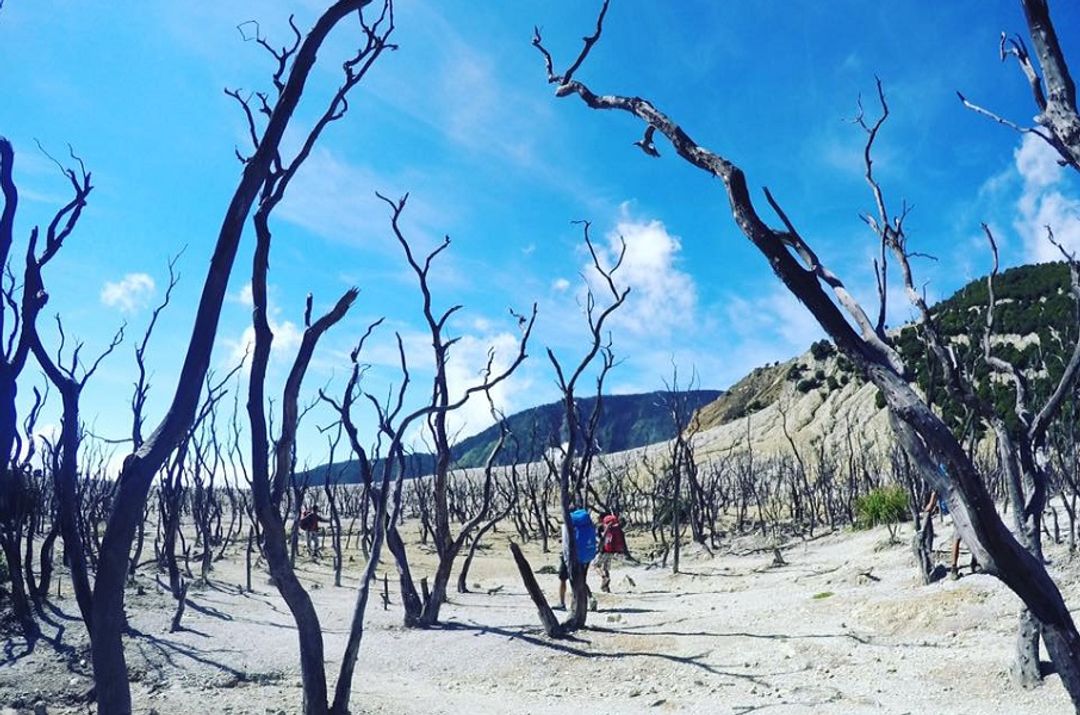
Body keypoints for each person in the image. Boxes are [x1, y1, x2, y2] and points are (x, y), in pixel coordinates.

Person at [557, 507, 597, 611]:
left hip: (569, 556)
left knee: (563, 579)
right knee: (581, 580)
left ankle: (562, 603)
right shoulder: (585, 525)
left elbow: (565, 542)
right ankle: (590, 598)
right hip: (585, 556)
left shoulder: (568, 525)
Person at [923, 490, 962, 580]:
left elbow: (932, 501)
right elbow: (933, 498)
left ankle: (954, 568)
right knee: (958, 538)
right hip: (957, 510)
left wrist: (929, 507)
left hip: (956, 510)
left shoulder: (939, 481)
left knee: (957, 538)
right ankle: (954, 568)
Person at [596, 513, 627, 593]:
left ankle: (604, 578)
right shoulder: (616, 529)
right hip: (611, 551)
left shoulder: (603, 527)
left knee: (596, 566)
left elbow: (601, 539)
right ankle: (606, 588)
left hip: (604, 551)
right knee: (606, 569)